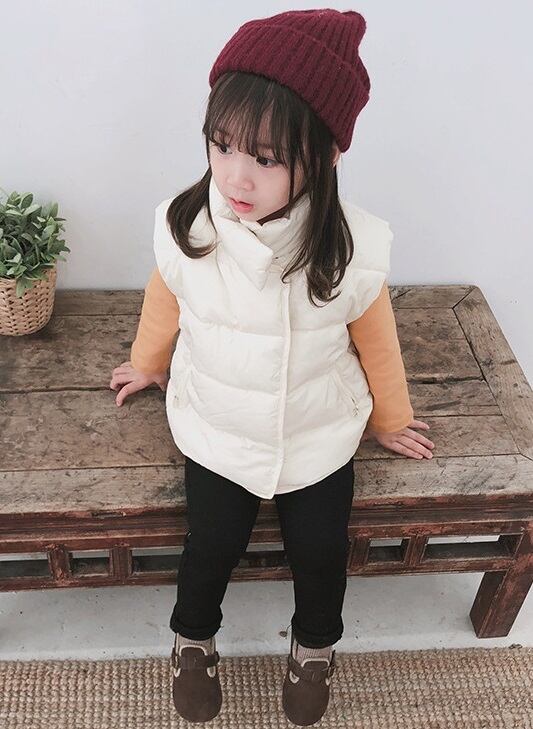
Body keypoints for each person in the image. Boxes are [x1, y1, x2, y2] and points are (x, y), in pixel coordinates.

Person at [109, 8, 435, 725]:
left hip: (316, 428)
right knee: (210, 544)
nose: (235, 174)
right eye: (221, 145)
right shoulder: (190, 225)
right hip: (218, 425)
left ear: (324, 157)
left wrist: (390, 418)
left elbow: (377, 339)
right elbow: (165, 295)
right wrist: (147, 362)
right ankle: (192, 639)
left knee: (320, 550)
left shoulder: (349, 248)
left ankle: (314, 646)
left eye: (265, 158)